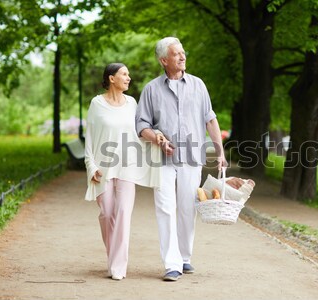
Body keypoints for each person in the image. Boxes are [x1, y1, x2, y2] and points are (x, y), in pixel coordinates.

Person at [136, 37, 227, 281]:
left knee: (188, 208)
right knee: (165, 208)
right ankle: (171, 263)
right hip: (162, 159)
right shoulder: (151, 89)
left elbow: (210, 119)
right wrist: (157, 139)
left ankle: (185, 257)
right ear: (164, 60)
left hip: (191, 157)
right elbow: (142, 125)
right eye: (176, 54)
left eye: (183, 52)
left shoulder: (198, 85)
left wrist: (220, 151)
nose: (183, 56)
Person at [84, 63, 162, 281]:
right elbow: (90, 137)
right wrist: (91, 165)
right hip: (103, 167)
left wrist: (156, 136)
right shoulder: (97, 103)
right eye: (124, 74)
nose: (129, 78)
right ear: (111, 78)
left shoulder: (132, 103)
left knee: (123, 214)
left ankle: (117, 266)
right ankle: (113, 257)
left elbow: (138, 132)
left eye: (129, 74)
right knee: (107, 213)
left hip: (127, 165)